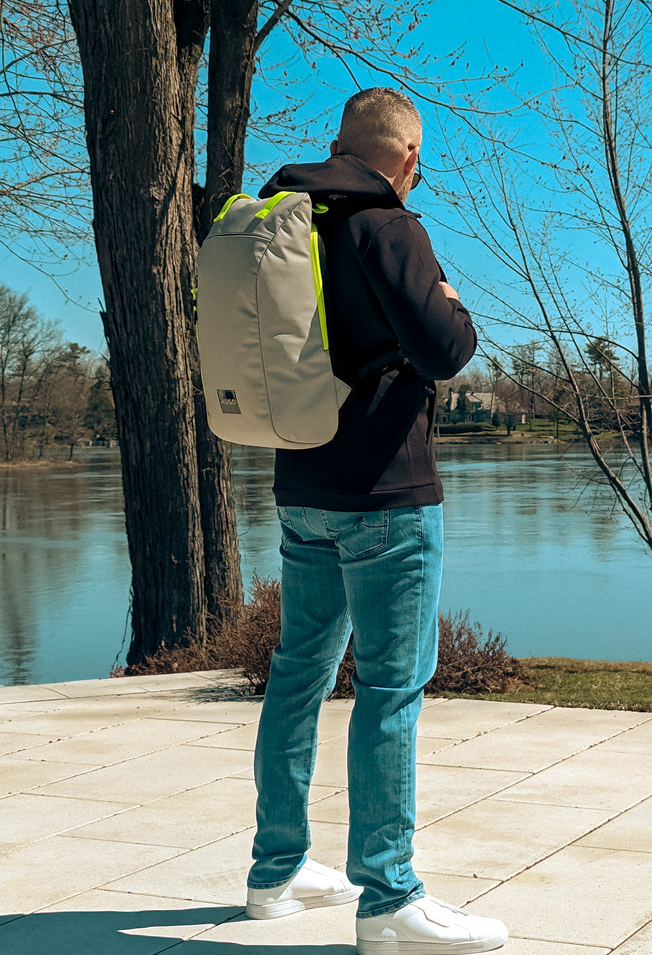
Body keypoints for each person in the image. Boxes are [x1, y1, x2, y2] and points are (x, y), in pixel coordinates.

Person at [244, 88, 508, 955]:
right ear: (403, 158)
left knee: (299, 674)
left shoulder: (282, 219)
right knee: (390, 690)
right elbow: (445, 349)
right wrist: (451, 295)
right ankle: (389, 898)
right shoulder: (386, 223)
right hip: (387, 496)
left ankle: (275, 873)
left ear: (337, 144)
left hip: (300, 483)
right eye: (417, 161)